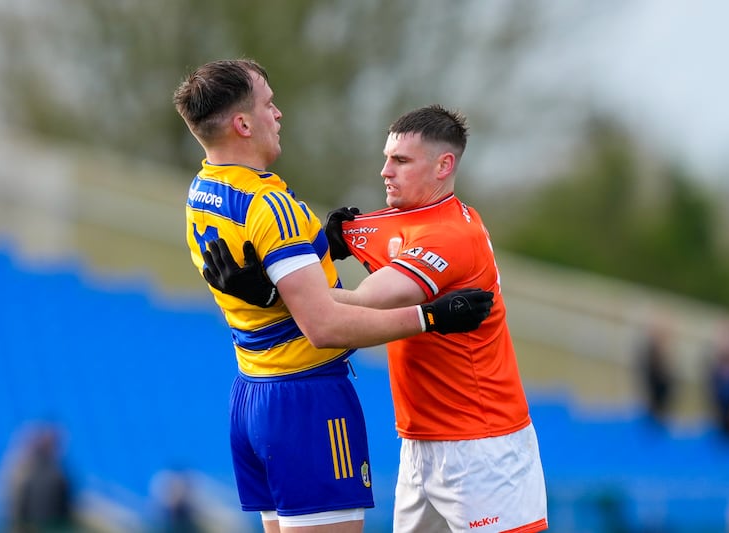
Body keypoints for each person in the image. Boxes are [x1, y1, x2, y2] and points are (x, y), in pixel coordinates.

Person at [173, 59, 493, 533]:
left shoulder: (202, 192)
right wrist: (431, 317)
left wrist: (321, 247)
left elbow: (271, 279)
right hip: (307, 400)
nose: (277, 114)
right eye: (267, 104)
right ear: (242, 124)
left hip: (251, 396)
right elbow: (325, 326)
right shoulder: (270, 204)